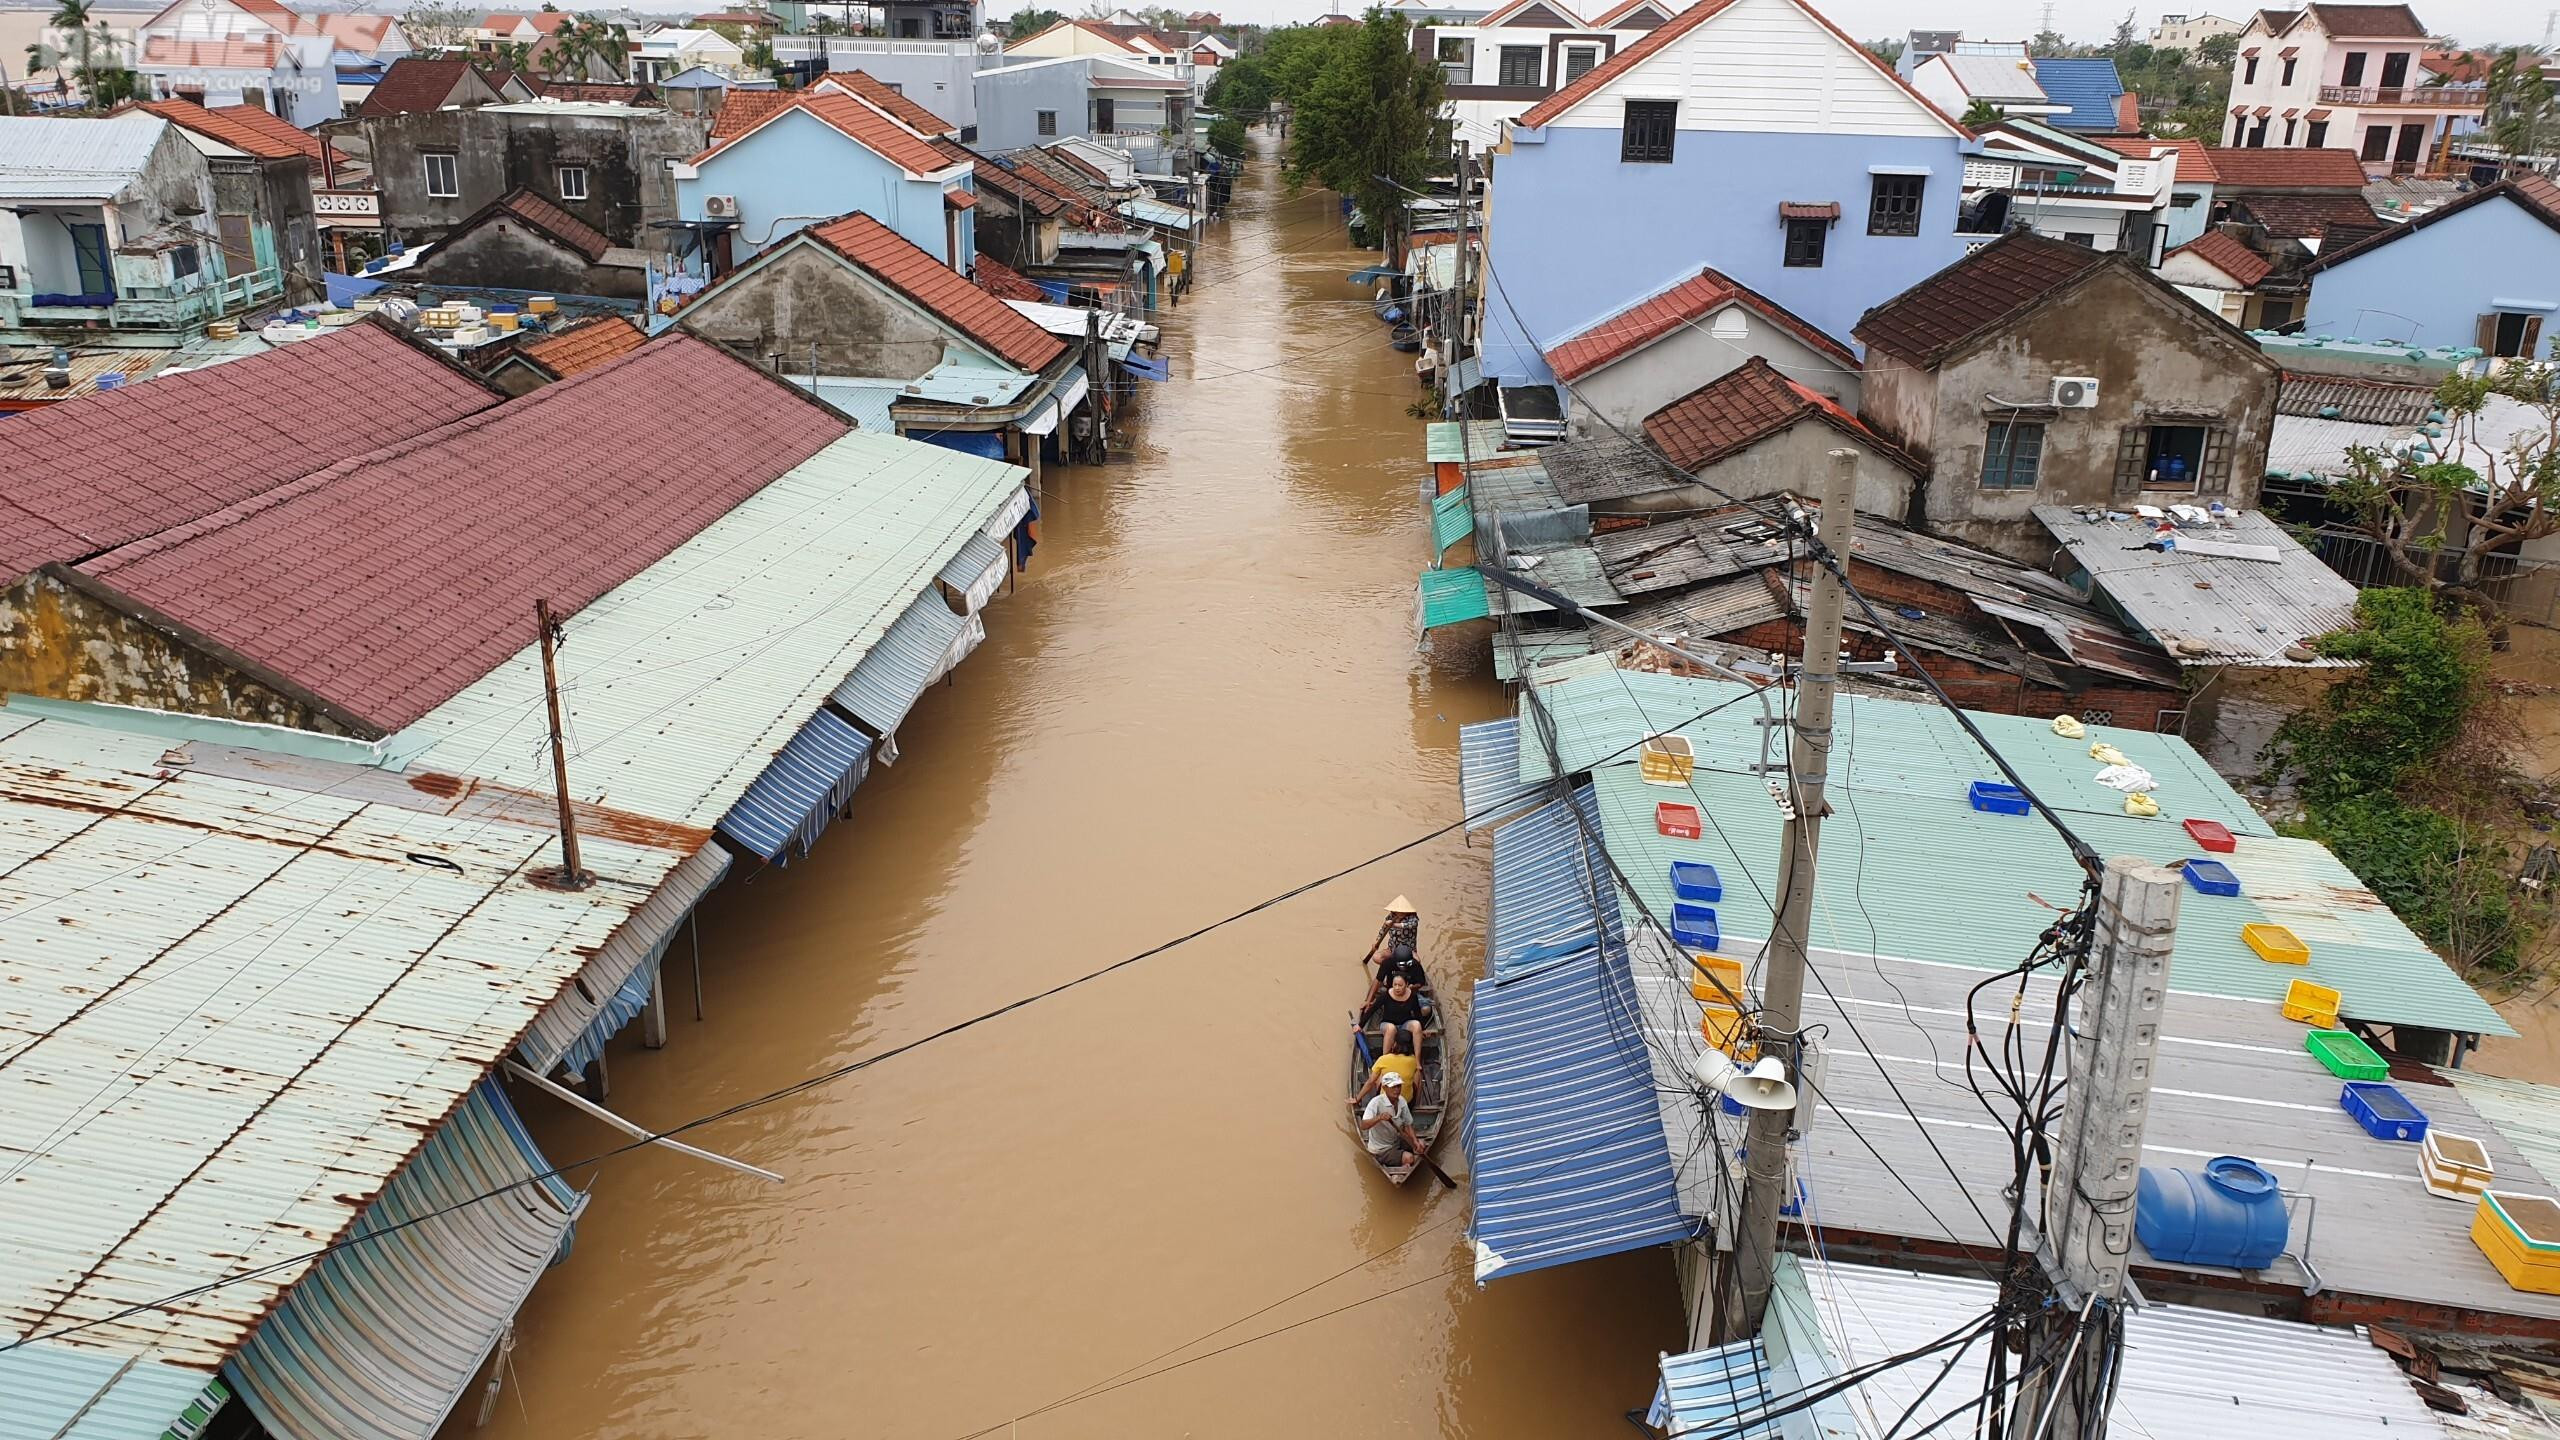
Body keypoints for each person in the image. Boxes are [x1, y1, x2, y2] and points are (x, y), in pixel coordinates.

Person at [1357, 1070, 1426, 1171]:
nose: (1397, 1090)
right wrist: (1379, 1117)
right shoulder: (1375, 1103)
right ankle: (1402, 1164)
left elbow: (1408, 1125)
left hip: (1395, 1141)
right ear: (1384, 1088)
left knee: (1422, 1144)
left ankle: (1403, 1160)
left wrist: (1415, 1141)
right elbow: (1363, 1125)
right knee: (1410, 1158)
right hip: (1381, 1150)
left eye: (1398, 1086)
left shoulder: (1401, 1101)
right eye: (1393, 1087)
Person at [1362, 972, 1426, 1065]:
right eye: (1395, 985)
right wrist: (1360, 1026)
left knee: (1417, 1025)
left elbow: (1417, 1013)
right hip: (1387, 1024)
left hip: (1405, 1024)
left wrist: (1422, 1029)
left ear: (1407, 985)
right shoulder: (1385, 995)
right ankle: (1384, 1062)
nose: (1397, 988)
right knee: (1391, 1029)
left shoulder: (1412, 996)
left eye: (1400, 985)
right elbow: (1372, 1010)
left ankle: (1417, 1060)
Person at [1351, 1027, 1421, 1110]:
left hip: (1384, 1103)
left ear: (1395, 1043)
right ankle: (1416, 1102)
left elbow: (1370, 1082)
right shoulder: (1413, 1060)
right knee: (1418, 1072)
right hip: (1407, 1103)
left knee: (1380, 1074)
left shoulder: (1384, 1059)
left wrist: (1357, 1099)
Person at [1365, 896, 1420, 972]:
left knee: (1417, 961)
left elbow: (1412, 925)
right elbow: (1383, 930)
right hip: (1392, 949)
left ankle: (1407, 972)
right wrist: (1376, 941)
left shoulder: (1413, 918)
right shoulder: (1390, 917)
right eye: (1397, 910)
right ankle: (1392, 968)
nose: (1399, 913)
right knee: (1376, 957)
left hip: (1408, 951)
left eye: (1402, 911)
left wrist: (1394, 925)